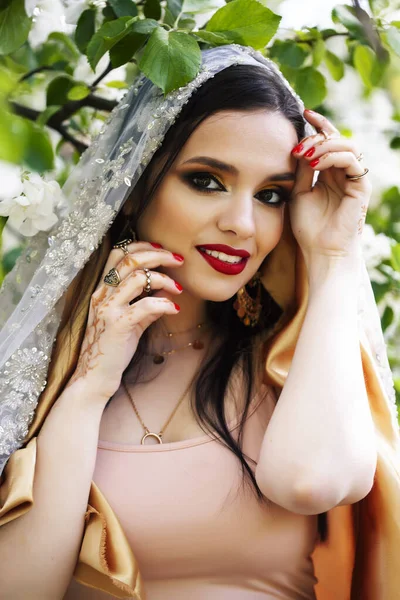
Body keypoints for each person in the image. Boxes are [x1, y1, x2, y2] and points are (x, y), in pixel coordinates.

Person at [0, 44, 399, 600]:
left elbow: (313, 481)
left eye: (270, 195)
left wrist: (332, 257)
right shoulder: (45, 370)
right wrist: (91, 383)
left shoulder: (290, 358)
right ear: (137, 186)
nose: (241, 224)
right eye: (207, 180)